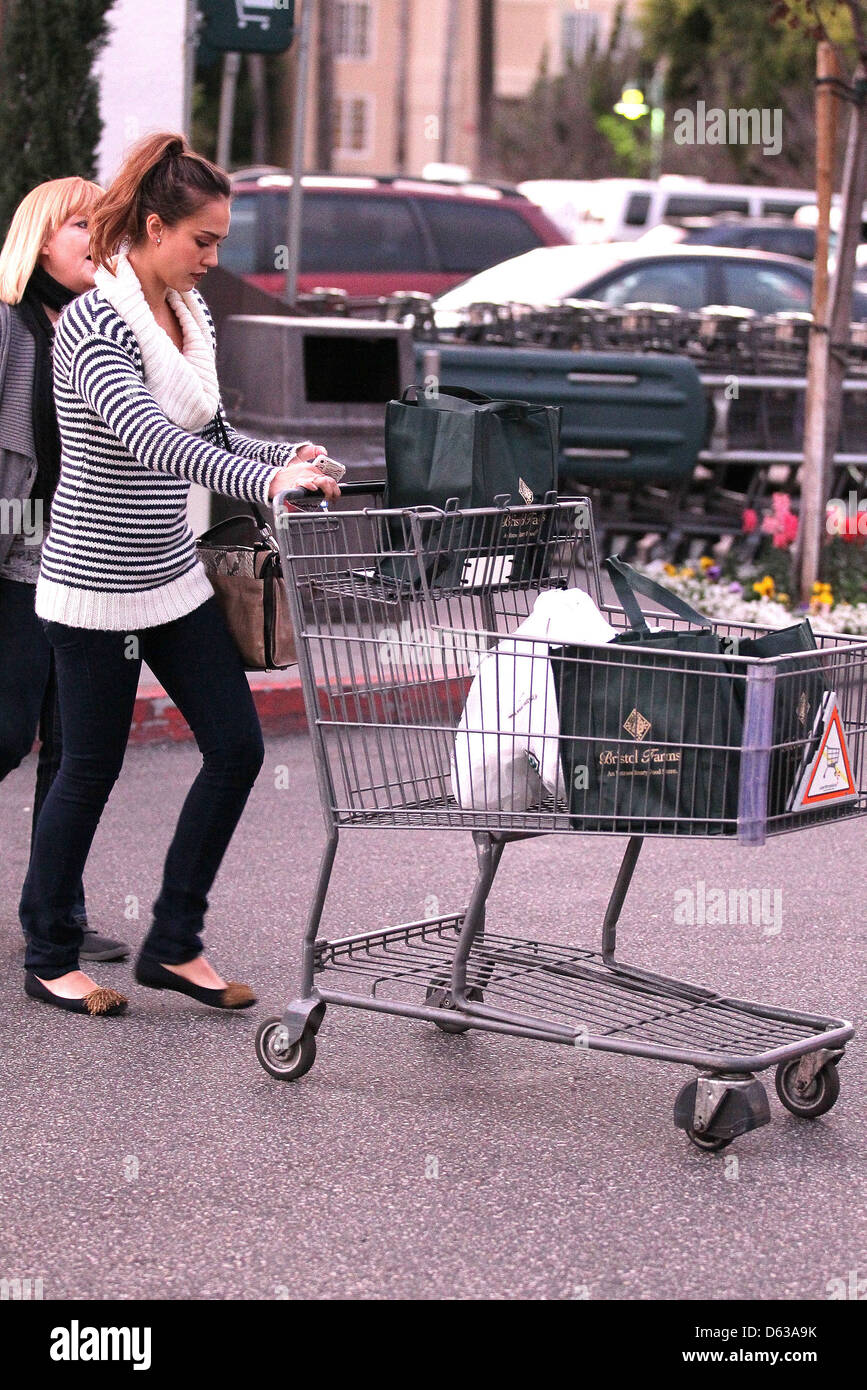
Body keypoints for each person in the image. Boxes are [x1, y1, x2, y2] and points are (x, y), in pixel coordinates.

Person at [19, 132, 340, 1017]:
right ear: (154, 229)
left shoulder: (185, 322)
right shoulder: (93, 322)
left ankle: (171, 942)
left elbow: (211, 438)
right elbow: (147, 439)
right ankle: (48, 952)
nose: (212, 257)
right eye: (202, 241)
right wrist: (264, 482)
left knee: (235, 748)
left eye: (220, 242)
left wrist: (289, 457)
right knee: (87, 769)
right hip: (92, 586)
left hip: (171, 577)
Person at [0, 176, 130, 963]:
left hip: (85, 576)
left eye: (104, 225)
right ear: (43, 236)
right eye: (82, 223)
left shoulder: (104, 330)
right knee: (7, 734)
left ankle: (56, 917)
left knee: (76, 750)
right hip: (16, 565)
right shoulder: (8, 328)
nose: (96, 238)